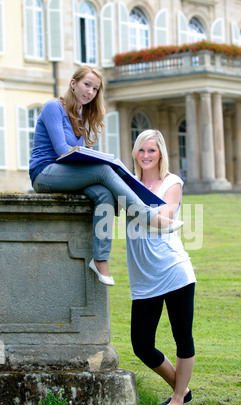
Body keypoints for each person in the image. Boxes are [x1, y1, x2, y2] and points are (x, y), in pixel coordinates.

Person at [29, 66, 182, 286]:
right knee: (104, 170)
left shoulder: (79, 117)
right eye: (86, 85)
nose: (90, 92)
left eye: (95, 89)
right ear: (73, 84)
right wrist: (101, 162)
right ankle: (147, 216)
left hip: (67, 175)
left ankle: (100, 260)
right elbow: (63, 151)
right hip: (44, 174)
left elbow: (77, 157)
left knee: (104, 194)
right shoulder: (54, 107)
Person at [126, 129, 196, 405]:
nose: (145, 156)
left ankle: (177, 401)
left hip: (173, 271)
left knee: (182, 336)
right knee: (141, 344)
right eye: (141, 150)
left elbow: (165, 219)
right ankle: (183, 389)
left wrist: (129, 201)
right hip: (143, 277)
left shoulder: (171, 182)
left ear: (161, 153)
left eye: (151, 150)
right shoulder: (128, 183)